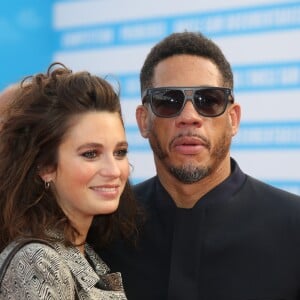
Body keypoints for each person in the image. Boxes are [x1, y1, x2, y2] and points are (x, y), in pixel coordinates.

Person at [100, 31, 300, 299]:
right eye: (168, 101)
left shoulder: (294, 228)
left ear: (233, 119)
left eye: (209, 100)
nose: (189, 117)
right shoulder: (105, 226)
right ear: (143, 120)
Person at [0, 63, 139, 299]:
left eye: (120, 152)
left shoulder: (83, 253)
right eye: (90, 154)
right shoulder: (38, 262)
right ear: (46, 166)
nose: (114, 170)